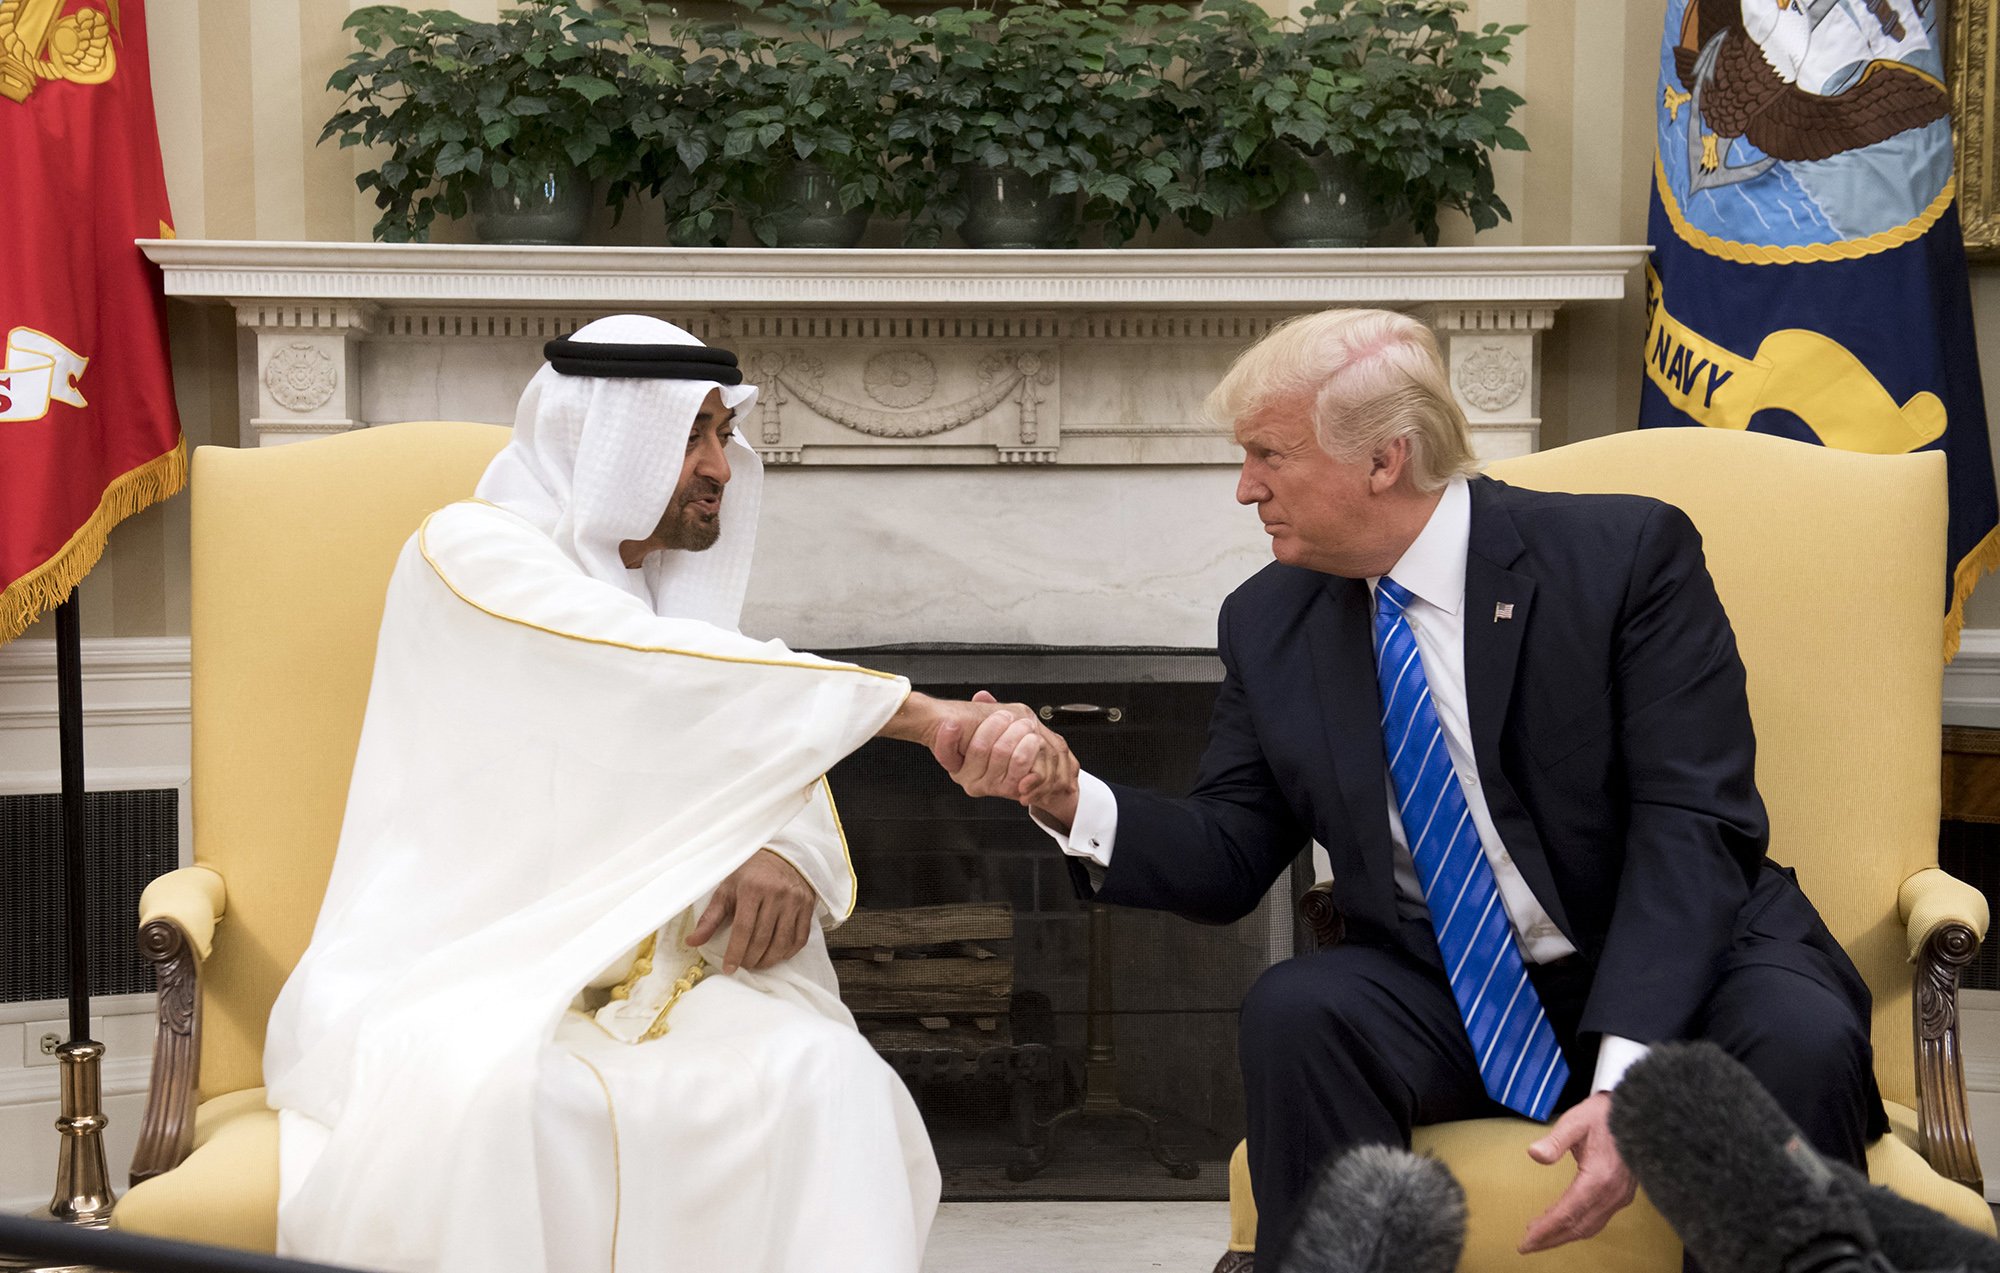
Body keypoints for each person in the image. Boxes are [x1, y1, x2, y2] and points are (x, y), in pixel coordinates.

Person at [942, 308, 1884, 1273]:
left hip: (1684, 961)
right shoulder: (1270, 620)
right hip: (1456, 992)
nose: (1243, 488)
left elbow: (1694, 824)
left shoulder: (1623, 557)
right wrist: (1065, 796)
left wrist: (1629, 1077)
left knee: (1799, 1037)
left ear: (1385, 460)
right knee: (1299, 1008)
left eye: (1268, 453)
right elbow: (1228, 851)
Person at [262, 315, 1062, 1273]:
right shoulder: (469, 553)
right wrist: (926, 717)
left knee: (828, 1077)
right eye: (692, 435)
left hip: (655, 977)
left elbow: (738, 722)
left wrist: (782, 845)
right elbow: (661, 676)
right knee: (499, 1112)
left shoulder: (669, 607)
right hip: (479, 972)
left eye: (723, 434)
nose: (721, 465)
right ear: (601, 439)